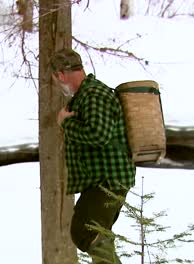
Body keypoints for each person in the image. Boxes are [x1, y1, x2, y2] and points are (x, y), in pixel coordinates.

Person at [48, 48, 136, 264]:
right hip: (102, 180)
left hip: (109, 180)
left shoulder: (94, 94)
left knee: (85, 231)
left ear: (60, 74)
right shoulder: (87, 95)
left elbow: (99, 135)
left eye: (56, 79)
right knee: (96, 233)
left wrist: (65, 123)